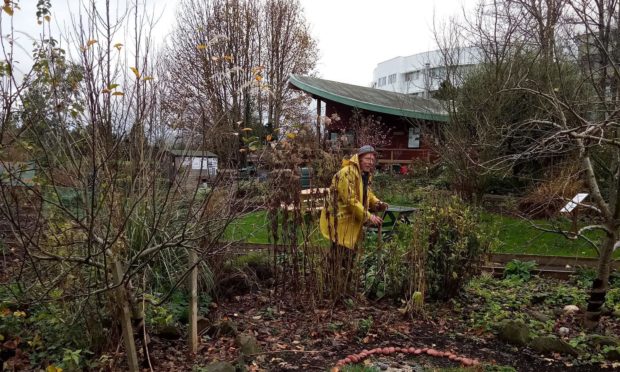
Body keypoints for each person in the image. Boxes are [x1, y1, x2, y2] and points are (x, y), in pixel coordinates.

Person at [320, 145, 388, 251]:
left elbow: (367, 193)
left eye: (372, 160)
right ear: (359, 158)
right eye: (367, 159)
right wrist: (369, 216)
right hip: (340, 220)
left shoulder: (364, 174)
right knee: (340, 253)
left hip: (352, 220)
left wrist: (377, 202)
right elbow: (350, 200)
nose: (370, 162)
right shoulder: (346, 173)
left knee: (349, 256)